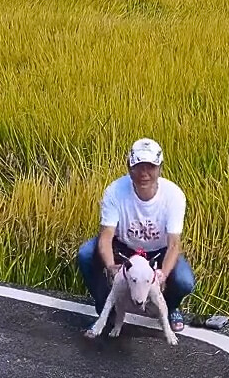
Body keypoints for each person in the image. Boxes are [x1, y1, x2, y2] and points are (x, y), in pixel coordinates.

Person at [77, 137, 195, 332]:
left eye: (151, 167)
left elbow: (174, 244)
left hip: (158, 251)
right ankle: (106, 311)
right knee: (86, 255)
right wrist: (110, 266)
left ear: (160, 168)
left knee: (184, 281)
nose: (144, 174)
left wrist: (163, 275)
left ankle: (171, 307)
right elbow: (106, 236)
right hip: (123, 249)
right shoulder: (115, 191)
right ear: (129, 166)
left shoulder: (174, 196)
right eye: (138, 167)